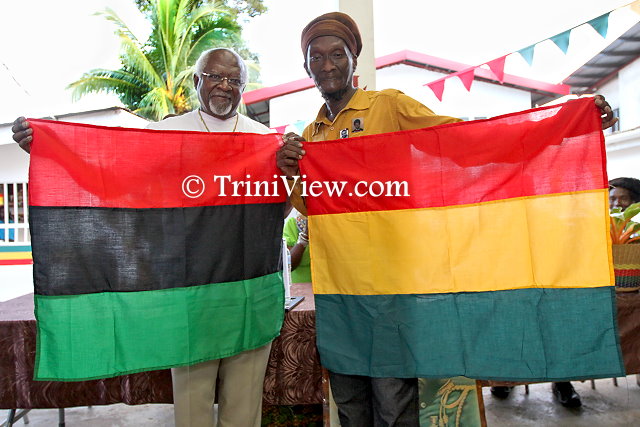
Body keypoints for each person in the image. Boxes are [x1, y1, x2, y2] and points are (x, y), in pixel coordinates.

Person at [276, 11, 618, 426]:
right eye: (317, 57)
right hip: (340, 287)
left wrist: (566, 122)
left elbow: (463, 139)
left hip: (391, 286)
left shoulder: (389, 106)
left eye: (337, 54)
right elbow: (313, 208)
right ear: (306, 66)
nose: (327, 64)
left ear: (354, 60)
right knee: (349, 402)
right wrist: (291, 172)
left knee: (393, 401)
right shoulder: (310, 134)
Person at [13, 48, 275, 427]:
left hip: (248, 292)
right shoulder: (166, 134)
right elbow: (111, 172)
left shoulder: (266, 141)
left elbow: (278, 211)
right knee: (192, 403)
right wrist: (49, 147)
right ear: (197, 80)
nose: (224, 86)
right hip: (189, 294)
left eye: (234, 80)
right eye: (215, 77)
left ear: (244, 88)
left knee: (244, 403)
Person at [283, 212, 311, 283]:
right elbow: (289, 265)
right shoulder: (293, 224)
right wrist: (305, 236)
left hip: (330, 289)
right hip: (300, 288)